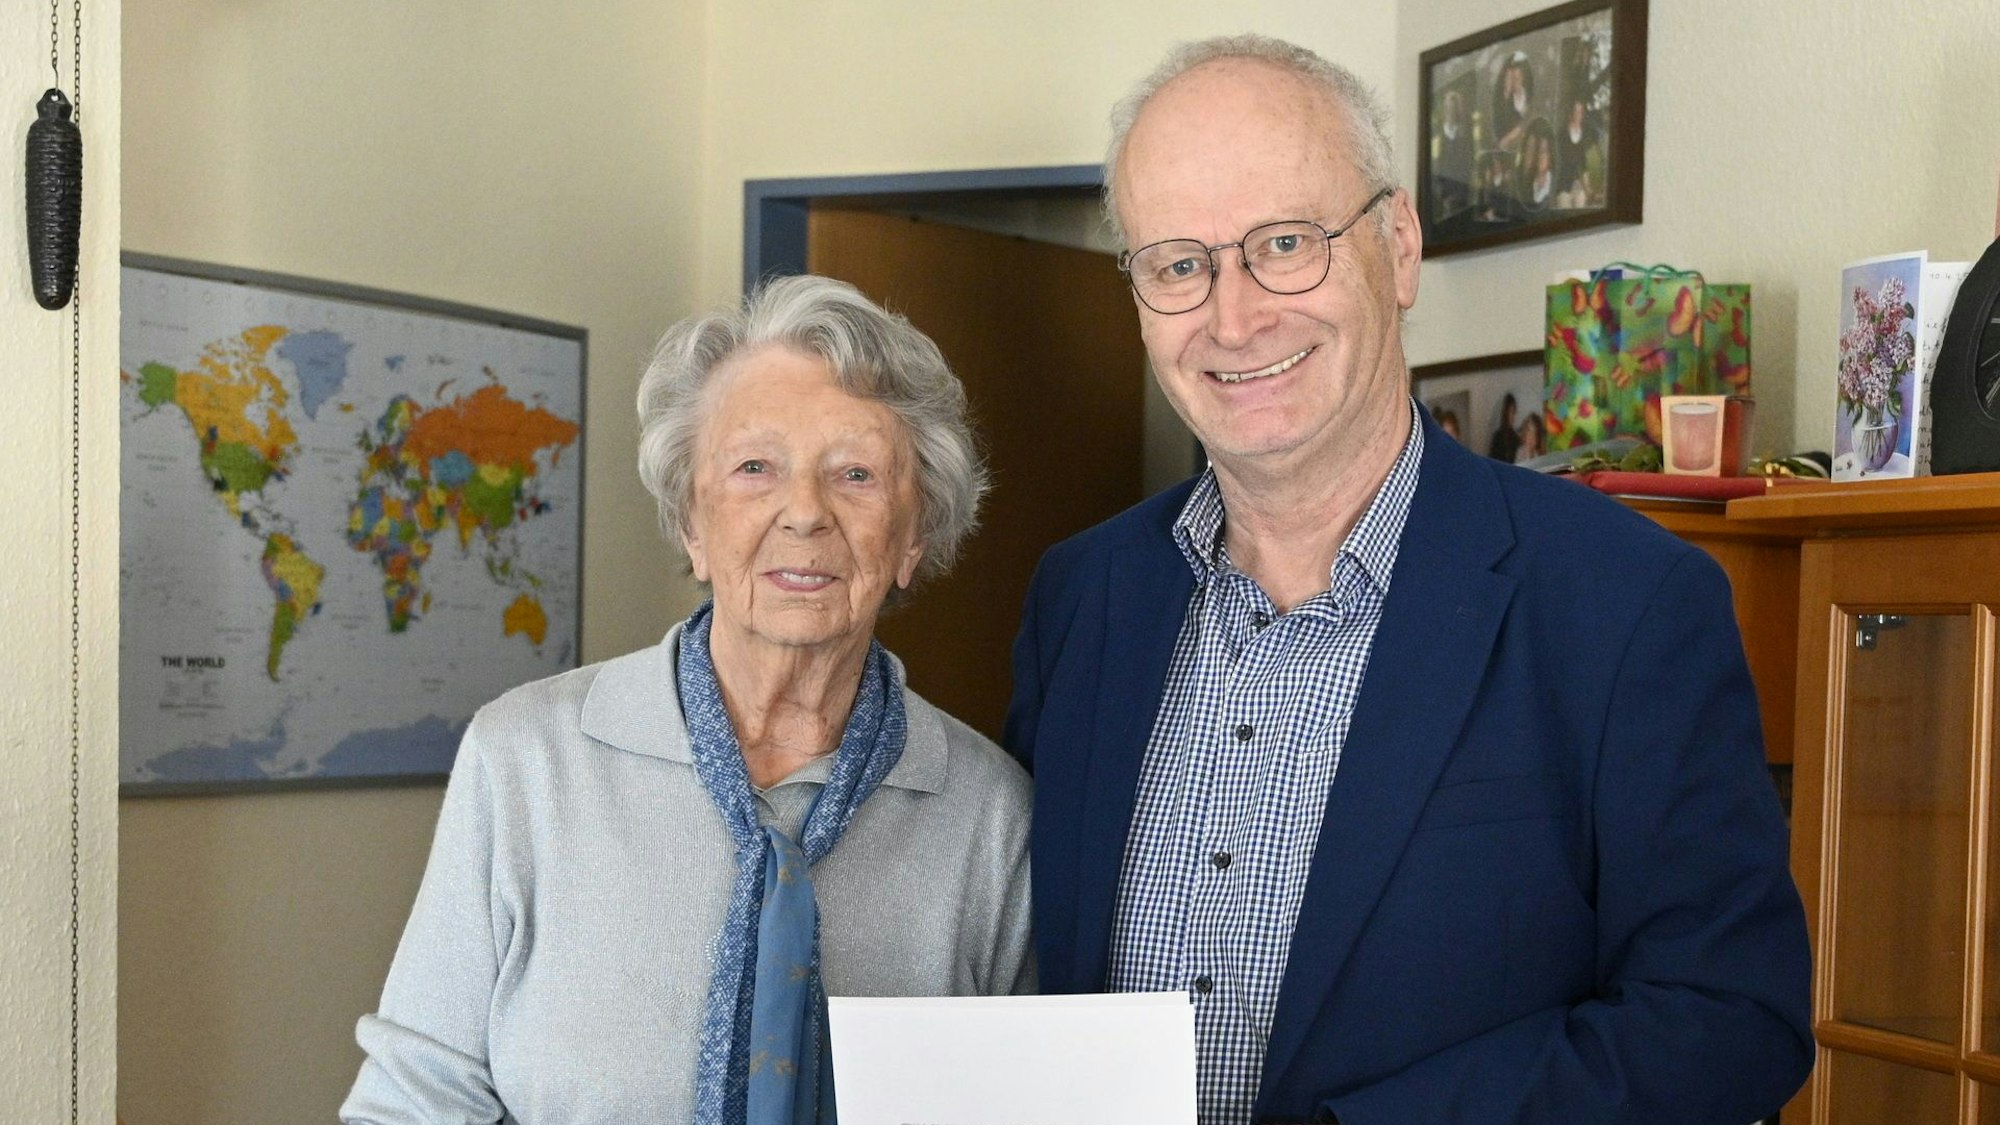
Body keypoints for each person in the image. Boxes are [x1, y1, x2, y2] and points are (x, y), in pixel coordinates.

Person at [1004, 34, 1810, 1125]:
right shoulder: (1082, 596)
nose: (1233, 318)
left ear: (1397, 248)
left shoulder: (1624, 600)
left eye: (1285, 244)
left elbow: (1727, 1018)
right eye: (1178, 264)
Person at [342, 275, 1034, 1124]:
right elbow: (413, 1101)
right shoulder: (525, 758)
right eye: (755, 468)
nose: (805, 514)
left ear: (914, 536)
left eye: (855, 473)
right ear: (690, 523)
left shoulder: (989, 813)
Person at [1487, 393, 1522, 462]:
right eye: (1511, 412)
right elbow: (1492, 460)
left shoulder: (1515, 437)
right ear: (1505, 412)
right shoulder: (1497, 437)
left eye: (1514, 412)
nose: (1513, 416)